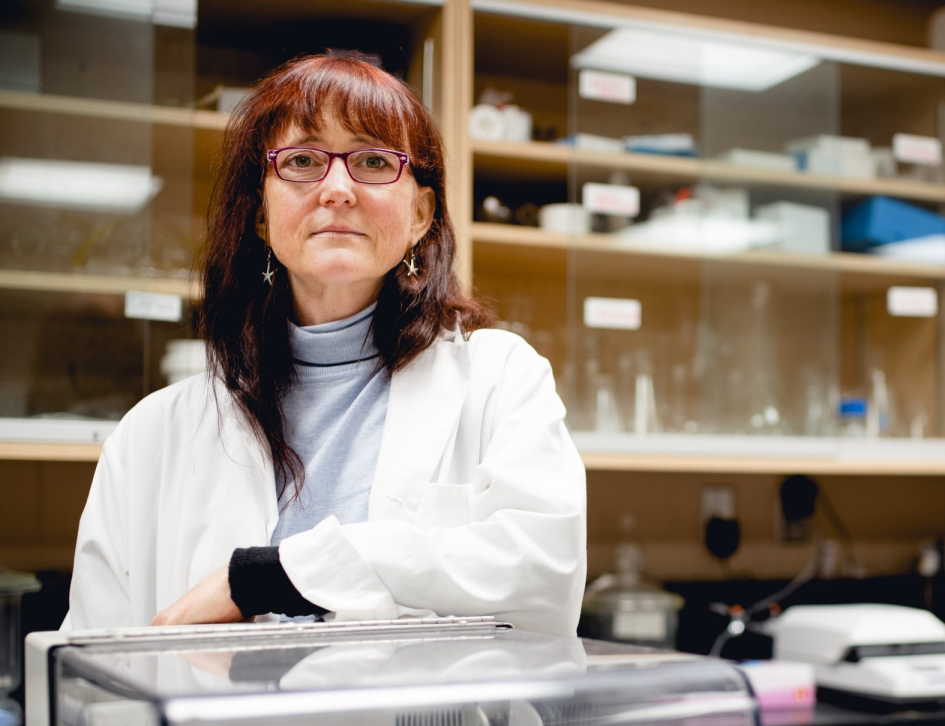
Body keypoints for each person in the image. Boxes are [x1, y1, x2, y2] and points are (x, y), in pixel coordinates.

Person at [65, 52, 587, 635]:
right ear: (261, 213)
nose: (337, 189)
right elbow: (91, 666)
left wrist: (269, 576)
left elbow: (543, 572)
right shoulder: (153, 434)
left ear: (421, 212)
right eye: (304, 161)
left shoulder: (500, 380)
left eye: (371, 161)